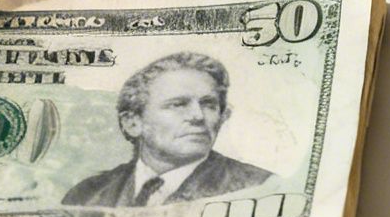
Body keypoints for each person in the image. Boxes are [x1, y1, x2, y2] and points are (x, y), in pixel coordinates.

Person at [62, 52, 274, 207]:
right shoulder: (86, 195)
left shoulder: (261, 188)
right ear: (133, 123)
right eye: (178, 104)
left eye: (208, 104)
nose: (198, 116)